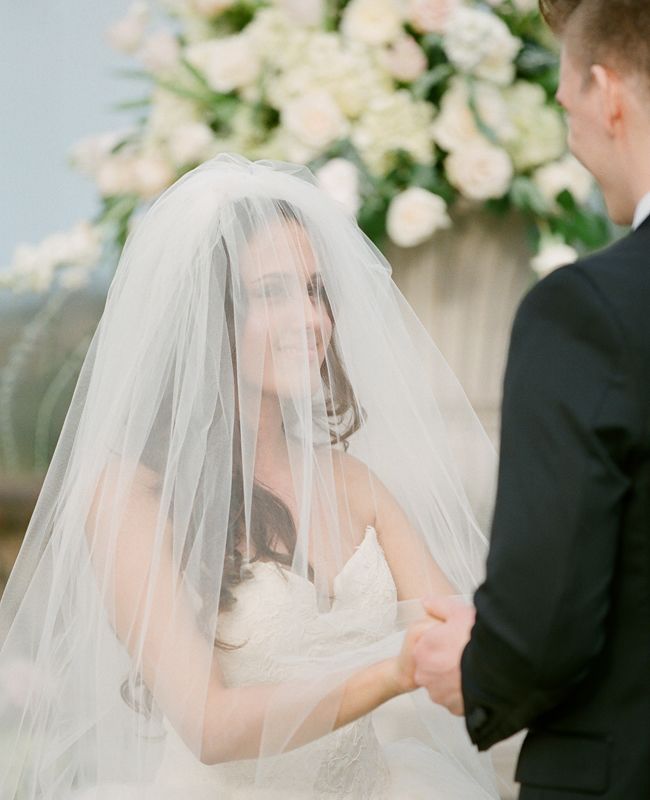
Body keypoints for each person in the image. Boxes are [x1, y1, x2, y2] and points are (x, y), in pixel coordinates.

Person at [0, 154, 499, 798]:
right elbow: (208, 726)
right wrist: (393, 672)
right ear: (207, 315)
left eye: (315, 291)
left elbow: (460, 629)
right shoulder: (131, 500)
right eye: (272, 292)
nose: (312, 319)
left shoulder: (356, 485)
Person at [413, 1, 650, 798]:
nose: (568, 124)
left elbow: (545, 625)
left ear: (606, 94)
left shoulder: (588, 311)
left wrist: (478, 667)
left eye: (566, 97)